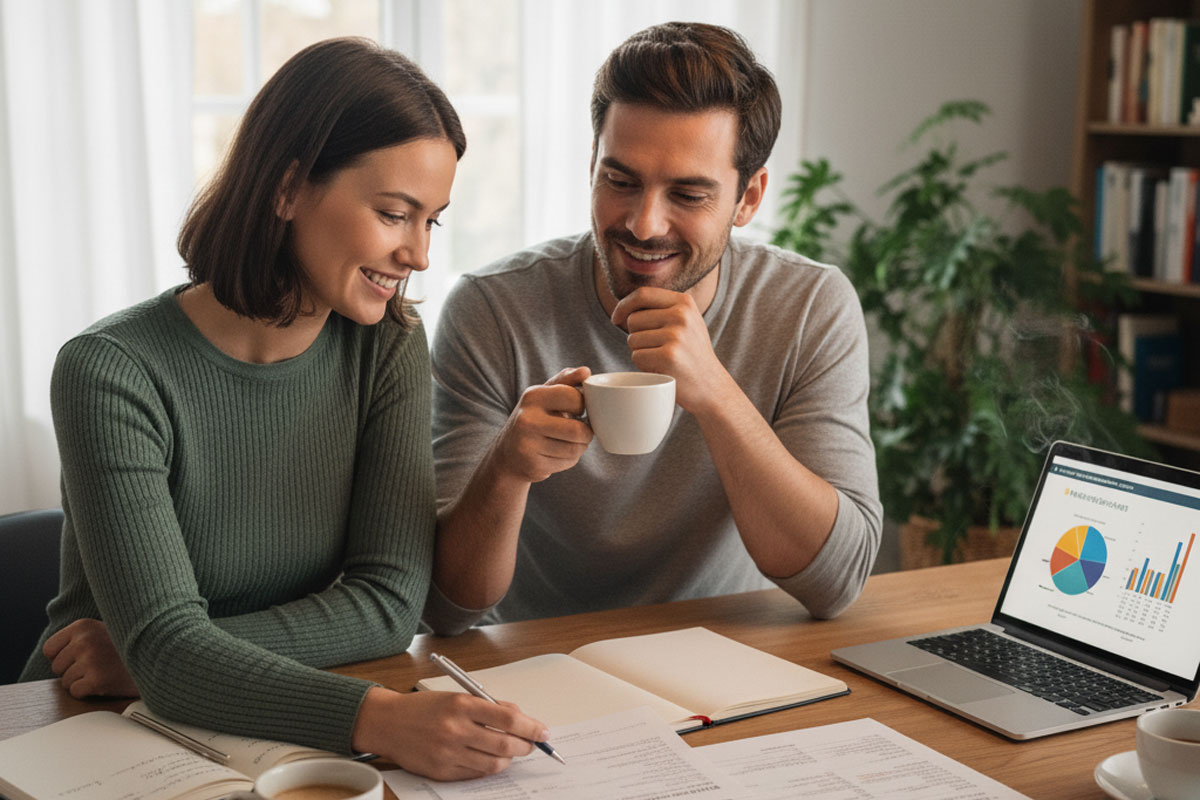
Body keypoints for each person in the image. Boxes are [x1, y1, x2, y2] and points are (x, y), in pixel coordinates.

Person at [19, 37, 547, 782]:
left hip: (239, 717)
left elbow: (390, 602)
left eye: (433, 220)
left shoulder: (386, 346)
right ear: (288, 189)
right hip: (86, 726)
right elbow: (169, 651)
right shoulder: (110, 371)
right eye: (396, 214)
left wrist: (168, 657)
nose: (420, 255)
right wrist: (377, 718)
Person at [425, 22, 882, 635]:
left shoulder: (808, 308)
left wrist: (714, 392)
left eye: (688, 195)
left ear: (749, 198)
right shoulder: (492, 309)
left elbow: (836, 582)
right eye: (621, 180)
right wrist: (506, 468)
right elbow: (448, 609)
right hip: (530, 668)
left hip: (720, 660)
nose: (644, 224)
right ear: (591, 166)